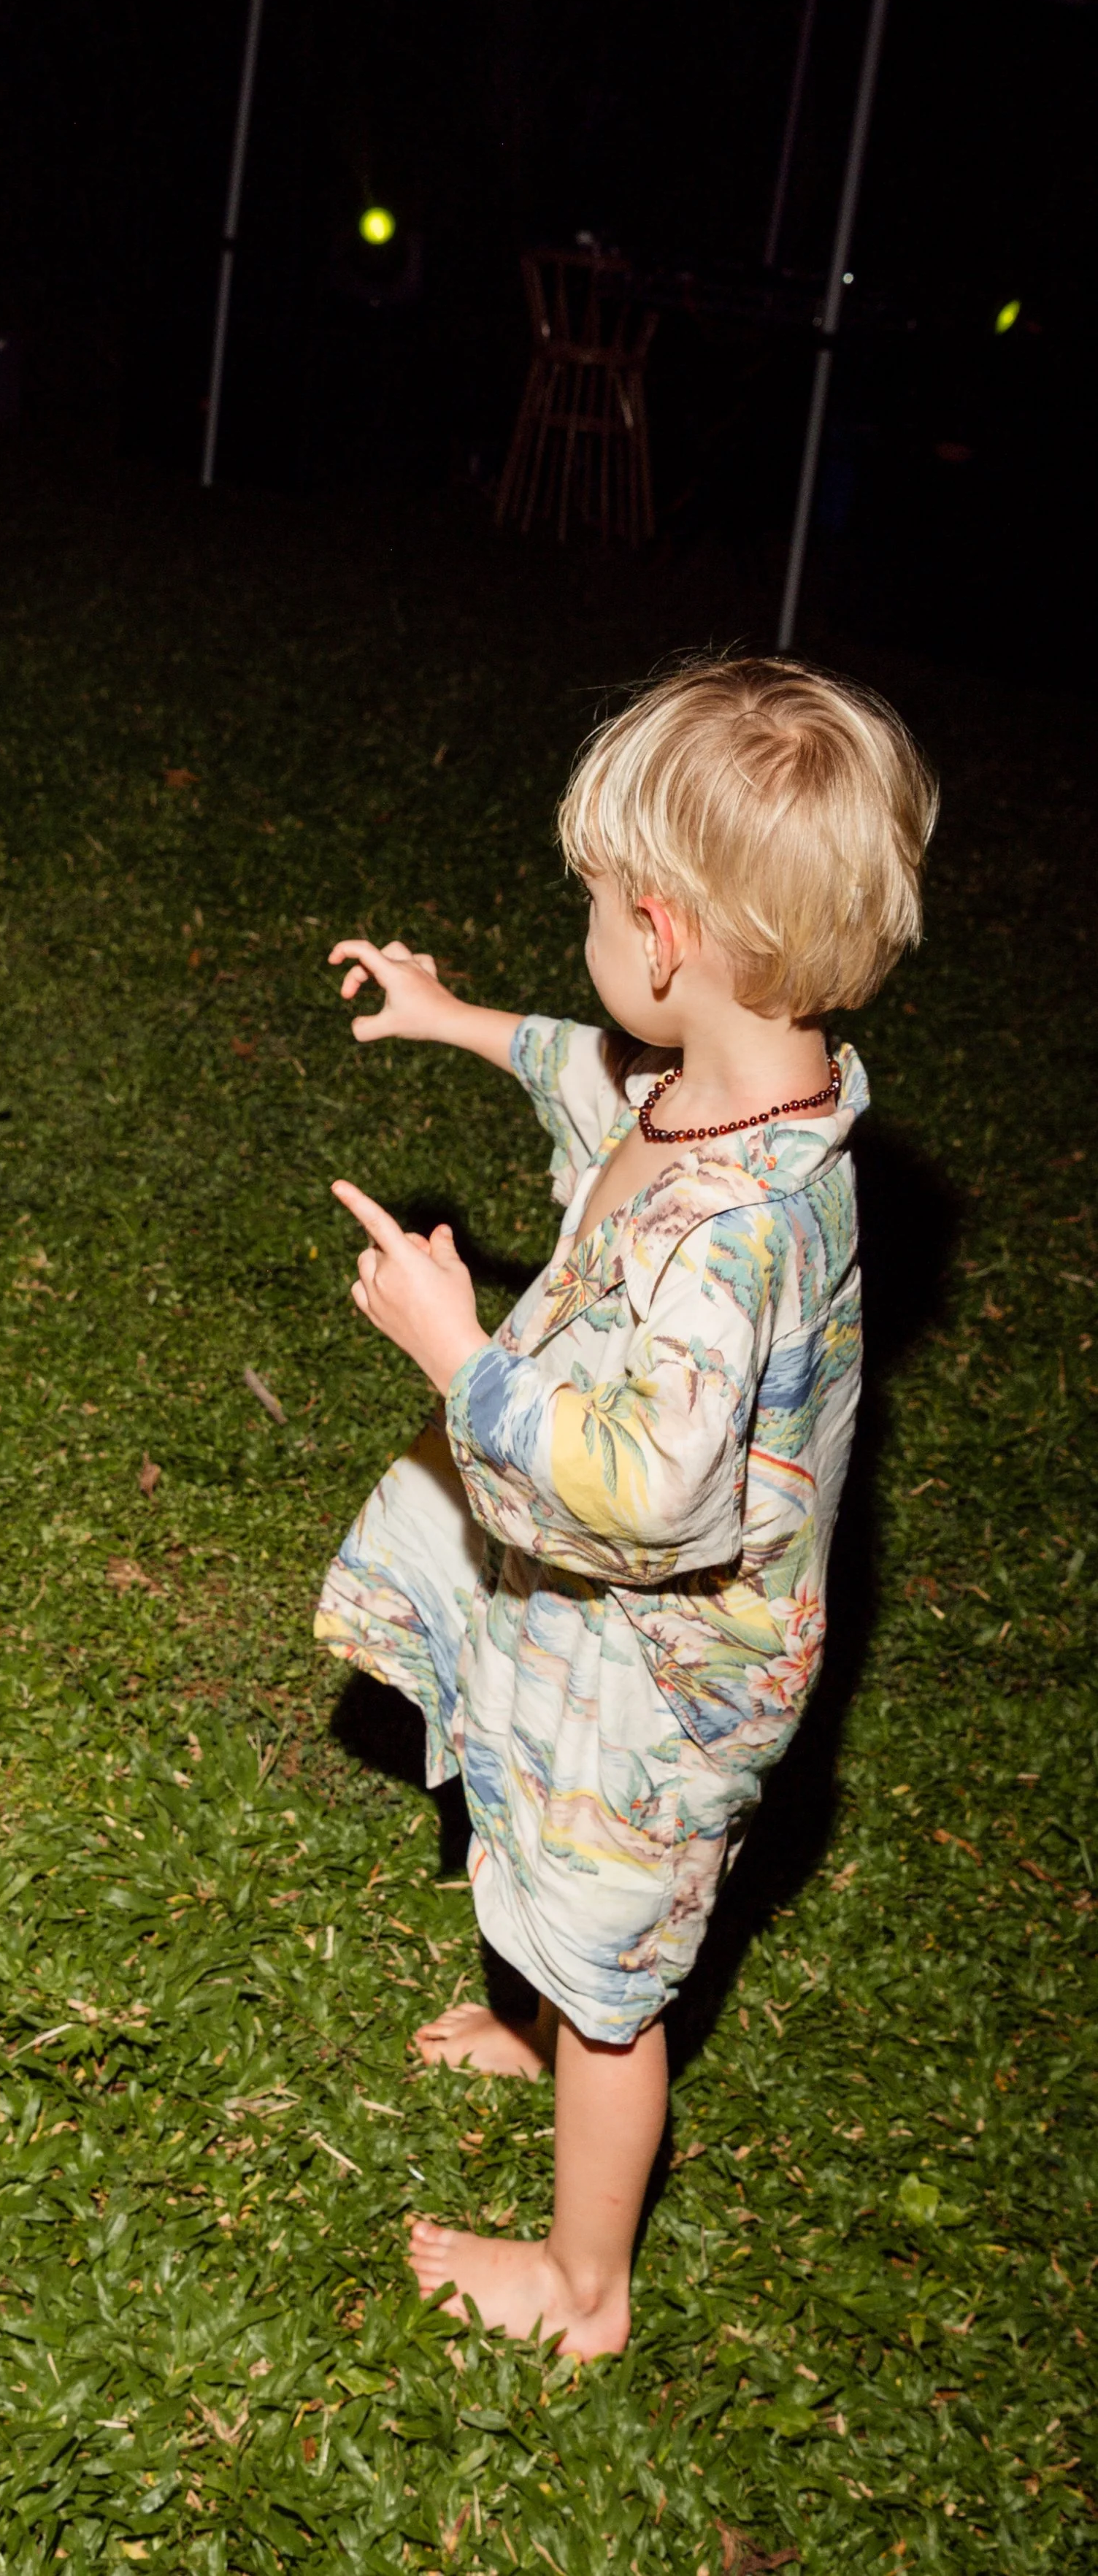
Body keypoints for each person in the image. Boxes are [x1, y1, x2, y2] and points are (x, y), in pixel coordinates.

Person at [318, 657, 936, 2357]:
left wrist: (464, 1357)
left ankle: (585, 2282)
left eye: (597, 904)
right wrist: (457, 1020)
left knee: (618, 1973)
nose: (591, 940)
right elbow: (606, 1091)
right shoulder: (744, 1086)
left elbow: (643, 1493)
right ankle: (543, 2002)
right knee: (550, 1848)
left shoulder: (741, 1234)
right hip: (602, 1650)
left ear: (662, 936)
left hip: (670, 1678)